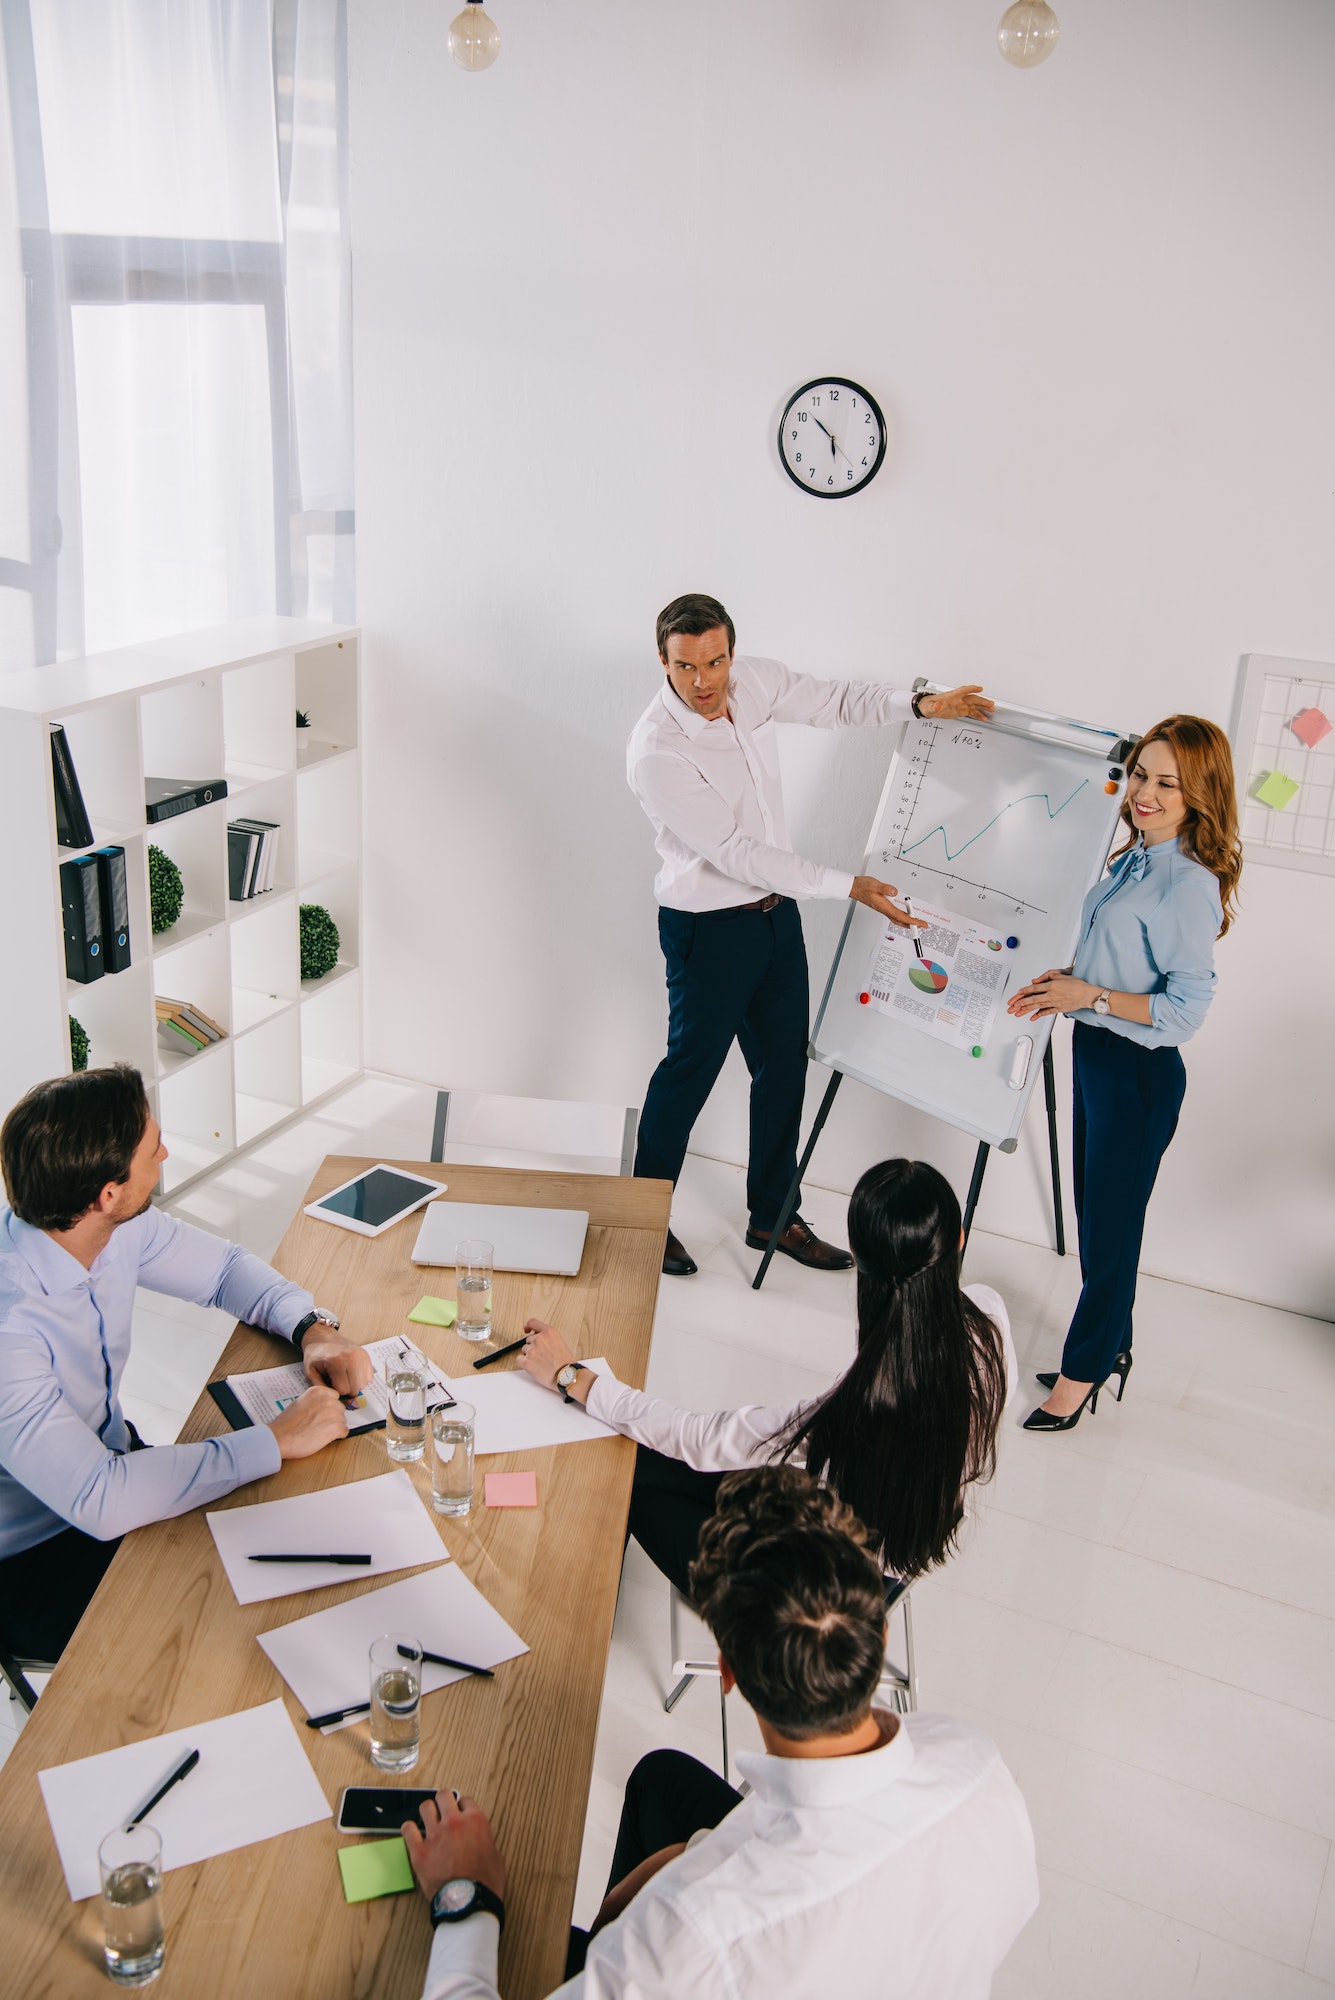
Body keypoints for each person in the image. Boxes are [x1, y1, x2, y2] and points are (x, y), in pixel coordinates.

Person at [401, 1465, 1038, 1999]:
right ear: (881, 1636)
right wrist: (705, 1846)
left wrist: (465, 1896)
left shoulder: (694, 1936)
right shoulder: (973, 1761)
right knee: (663, 1779)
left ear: (726, 1672)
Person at [628, 590, 994, 1276]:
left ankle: (772, 1216)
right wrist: (846, 885)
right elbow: (735, 852)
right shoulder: (657, 751)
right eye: (685, 667)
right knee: (689, 1075)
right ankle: (642, 1225)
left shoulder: (752, 681)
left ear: (731, 651)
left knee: (781, 1070)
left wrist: (917, 704)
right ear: (662, 661)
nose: (703, 682)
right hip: (707, 930)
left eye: (714, 662)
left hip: (774, 917)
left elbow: (833, 701)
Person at [0, 1065, 372, 1661]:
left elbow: (225, 1271)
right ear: (108, 1193)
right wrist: (272, 1440)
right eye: (153, 1149)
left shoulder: (106, 1227)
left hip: (114, 1462)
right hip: (36, 1557)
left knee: (293, 1547)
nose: (165, 1152)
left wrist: (312, 1329)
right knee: (224, 1636)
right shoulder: (10, 1331)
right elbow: (100, 1500)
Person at [517, 1157, 1016, 1597]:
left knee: (625, 1469)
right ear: (959, 1239)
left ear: (860, 1263)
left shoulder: (857, 1405)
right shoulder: (989, 1319)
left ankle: (576, 1611)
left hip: (803, 1600)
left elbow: (701, 1438)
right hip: (888, 1557)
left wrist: (571, 1376)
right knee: (649, 1453)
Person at [1006, 714, 1242, 1432]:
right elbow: (1122, 957)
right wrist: (1073, 980)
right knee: (1099, 1221)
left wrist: (1092, 996)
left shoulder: (1186, 883)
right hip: (1097, 1055)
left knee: (1110, 1235)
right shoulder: (1135, 857)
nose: (1143, 792)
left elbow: (1183, 1012)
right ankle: (1113, 1346)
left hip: (1136, 1076)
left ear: (1197, 794)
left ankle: (1080, 1375)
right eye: (1140, 773)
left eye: (1167, 783)